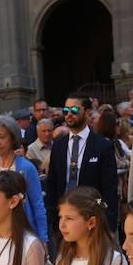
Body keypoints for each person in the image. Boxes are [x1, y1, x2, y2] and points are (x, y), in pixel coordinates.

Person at [45, 94, 119, 232]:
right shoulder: (58, 146)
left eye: (74, 110)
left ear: (87, 112)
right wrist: (52, 219)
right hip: (63, 221)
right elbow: (52, 184)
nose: (69, 114)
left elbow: (110, 189)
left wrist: (109, 226)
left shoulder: (102, 146)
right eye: (66, 111)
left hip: (91, 220)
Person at [0, 116, 48, 243]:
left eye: (1, 137)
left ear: (13, 138)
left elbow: (38, 204)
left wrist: (43, 239)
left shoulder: (27, 167)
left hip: (24, 234)